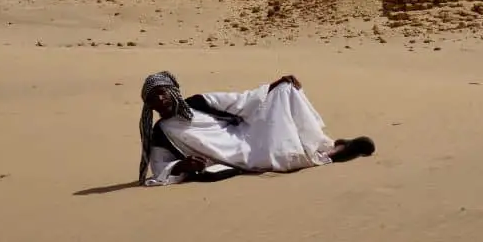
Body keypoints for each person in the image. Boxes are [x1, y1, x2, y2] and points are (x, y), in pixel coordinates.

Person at [138, 71, 375, 186]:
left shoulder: (199, 102)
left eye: (162, 93)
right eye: (153, 98)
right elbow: (159, 167)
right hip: (226, 158)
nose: (159, 100)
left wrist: (274, 85)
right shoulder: (161, 131)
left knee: (285, 91)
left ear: (173, 91)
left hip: (244, 135)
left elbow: (241, 101)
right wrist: (183, 165)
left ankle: (330, 146)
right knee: (282, 156)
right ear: (149, 105)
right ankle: (336, 152)